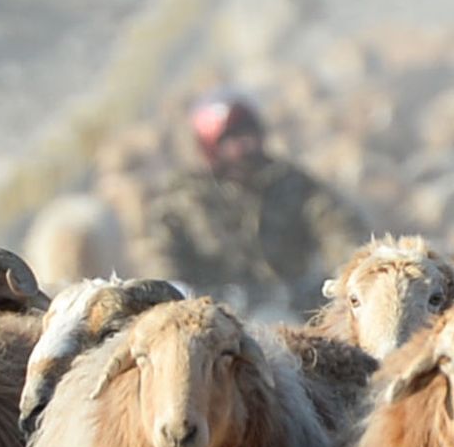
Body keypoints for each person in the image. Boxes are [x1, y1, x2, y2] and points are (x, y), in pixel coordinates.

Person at [135, 90, 370, 321]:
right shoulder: (183, 200)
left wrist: (348, 268)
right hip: (217, 320)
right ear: (210, 147)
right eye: (231, 139)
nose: (244, 146)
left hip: (298, 308)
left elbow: (335, 224)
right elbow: (159, 256)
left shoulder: (291, 183)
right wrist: (181, 296)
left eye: (249, 134)